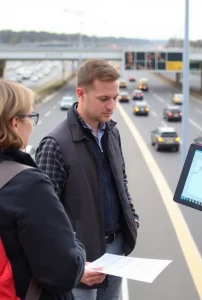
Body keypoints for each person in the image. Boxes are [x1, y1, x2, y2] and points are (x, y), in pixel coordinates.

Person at [35, 59, 139, 300]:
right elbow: (45, 218)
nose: (112, 105)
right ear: (81, 94)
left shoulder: (112, 132)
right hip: (80, 259)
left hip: (115, 250)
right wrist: (74, 267)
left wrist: (132, 216)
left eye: (115, 97)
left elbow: (121, 182)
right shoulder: (54, 145)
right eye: (104, 99)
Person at [0, 79, 86, 299]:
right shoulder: (27, 185)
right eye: (31, 116)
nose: (33, 124)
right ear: (14, 123)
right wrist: (75, 245)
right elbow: (64, 271)